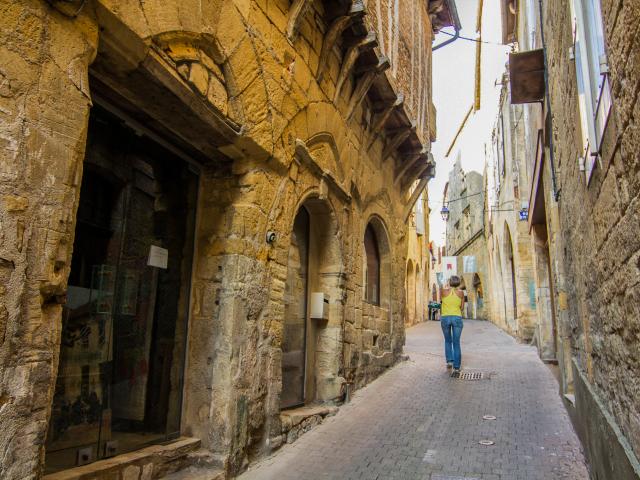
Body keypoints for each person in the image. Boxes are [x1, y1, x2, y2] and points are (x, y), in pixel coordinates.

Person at [440, 275, 465, 375]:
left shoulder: (443, 291)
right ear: (458, 282)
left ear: (449, 282)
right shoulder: (461, 293)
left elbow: (441, 302)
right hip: (457, 318)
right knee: (456, 342)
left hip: (445, 317)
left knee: (447, 340)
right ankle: (457, 367)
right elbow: (462, 308)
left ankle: (449, 361)